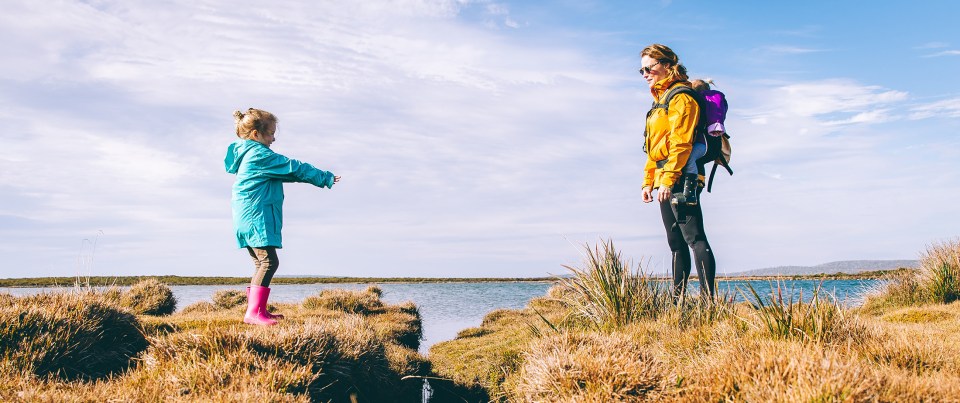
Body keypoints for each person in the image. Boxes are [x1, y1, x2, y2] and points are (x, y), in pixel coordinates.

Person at [225, 108, 341, 325]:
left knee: (261, 263)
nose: (273, 138)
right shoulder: (260, 155)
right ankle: (254, 313)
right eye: (270, 133)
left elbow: (288, 174)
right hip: (256, 216)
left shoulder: (248, 154)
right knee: (269, 262)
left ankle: (258, 310)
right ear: (256, 134)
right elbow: (293, 168)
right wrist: (324, 177)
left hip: (246, 217)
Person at [639, 44, 717, 300]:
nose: (645, 74)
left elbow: (681, 144)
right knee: (675, 243)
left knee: (694, 238)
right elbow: (654, 148)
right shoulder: (659, 101)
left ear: (666, 65)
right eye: (641, 71)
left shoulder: (681, 97)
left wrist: (669, 180)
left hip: (682, 176)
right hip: (664, 177)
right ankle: (677, 302)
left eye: (649, 68)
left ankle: (708, 303)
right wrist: (648, 182)